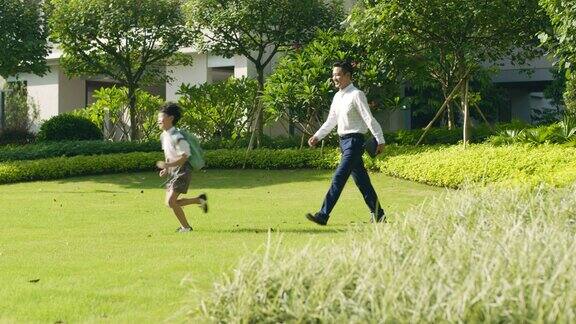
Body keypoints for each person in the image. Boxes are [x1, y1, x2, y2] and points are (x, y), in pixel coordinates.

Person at [306, 61, 386, 225]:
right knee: (362, 182)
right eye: (333, 74)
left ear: (348, 76)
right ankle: (379, 216)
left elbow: (368, 119)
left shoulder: (357, 94)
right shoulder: (337, 96)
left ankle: (323, 214)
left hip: (355, 142)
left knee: (339, 177)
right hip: (344, 143)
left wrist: (380, 139)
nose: (334, 77)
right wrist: (317, 136)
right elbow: (331, 121)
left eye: (337, 74)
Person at [156, 103, 207, 232]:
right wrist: (166, 169)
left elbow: (185, 156)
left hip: (183, 170)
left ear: (171, 118)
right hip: (174, 171)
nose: (158, 120)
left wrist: (169, 165)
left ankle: (186, 227)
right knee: (169, 203)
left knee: (171, 202)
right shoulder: (164, 136)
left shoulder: (177, 137)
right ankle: (199, 200)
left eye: (161, 117)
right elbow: (168, 154)